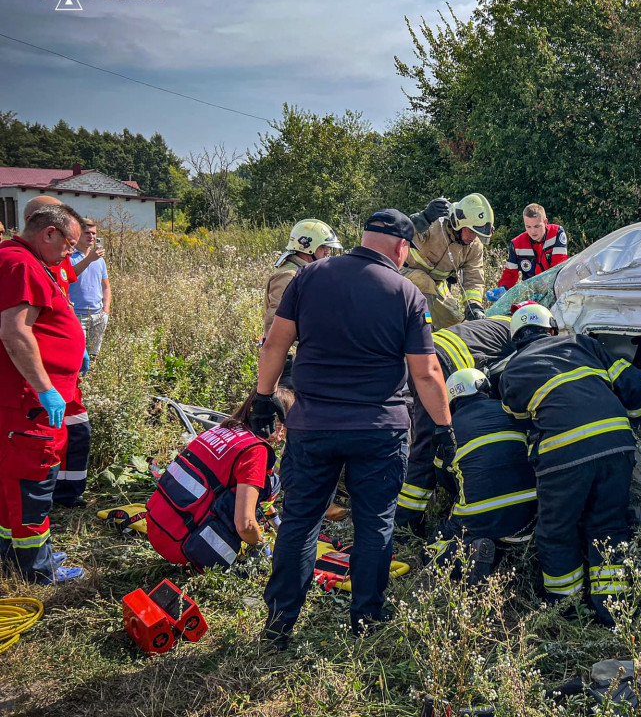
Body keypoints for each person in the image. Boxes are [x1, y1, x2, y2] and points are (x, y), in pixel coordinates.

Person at [252, 208, 457, 649]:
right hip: (379, 430)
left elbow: (274, 342)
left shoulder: (308, 277)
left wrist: (264, 397)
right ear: (402, 247)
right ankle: (366, 620)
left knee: (301, 521)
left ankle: (279, 625)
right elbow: (425, 373)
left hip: (312, 426)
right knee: (375, 522)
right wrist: (443, 427)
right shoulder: (406, 293)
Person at [499, 304, 641, 625]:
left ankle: (568, 613)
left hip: (563, 455)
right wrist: (633, 423)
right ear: (552, 329)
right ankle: (613, 613)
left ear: (516, 340)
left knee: (557, 532)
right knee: (609, 527)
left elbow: (519, 420)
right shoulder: (583, 343)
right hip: (616, 444)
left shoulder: (513, 370)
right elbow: (632, 382)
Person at [0, 202, 88, 583]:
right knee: (33, 477)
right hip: (29, 402)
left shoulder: (26, 260)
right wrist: (45, 389)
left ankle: (12, 552)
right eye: (69, 244)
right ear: (48, 233)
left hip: (28, 399)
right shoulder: (20, 264)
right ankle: (35, 567)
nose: (71, 252)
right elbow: (15, 331)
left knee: (16, 480)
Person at [146, 387, 293, 571]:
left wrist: (275, 521)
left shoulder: (224, 429)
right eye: (286, 422)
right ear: (273, 418)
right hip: (184, 546)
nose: (286, 432)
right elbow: (245, 524)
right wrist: (263, 548)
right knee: (271, 483)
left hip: (158, 527)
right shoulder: (255, 450)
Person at [395, 313, 515, 533]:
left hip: (424, 354)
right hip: (446, 367)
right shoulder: (527, 337)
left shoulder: (500, 321)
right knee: (432, 442)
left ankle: (407, 515)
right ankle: (405, 521)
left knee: (425, 439)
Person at [425, 369, 537, 582]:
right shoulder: (510, 412)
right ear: (485, 390)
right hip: (531, 508)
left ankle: (468, 556)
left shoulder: (449, 429)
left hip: (479, 513)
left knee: (433, 551)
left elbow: (444, 478)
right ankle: (502, 548)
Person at [263, 219, 343, 386]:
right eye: (323, 247)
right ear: (307, 247)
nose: (327, 252)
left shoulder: (306, 273)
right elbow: (275, 319)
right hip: (290, 361)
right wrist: (283, 364)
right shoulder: (289, 275)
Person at [403, 194, 494, 329]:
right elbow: (401, 233)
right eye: (470, 231)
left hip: (435, 285)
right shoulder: (434, 224)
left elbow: (473, 277)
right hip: (402, 274)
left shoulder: (474, 246)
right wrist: (423, 218)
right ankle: (418, 332)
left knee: (453, 323)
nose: (473, 237)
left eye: (477, 233)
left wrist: (474, 305)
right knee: (423, 285)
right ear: (459, 223)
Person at [490, 203, 568, 297]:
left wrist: (543, 287)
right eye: (528, 227)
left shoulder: (556, 233)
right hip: (531, 293)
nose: (532, 231)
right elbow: (510, 274)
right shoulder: (516, 244)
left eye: (537, 226)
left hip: (558, 288)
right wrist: (503, 288)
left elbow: (558, 266)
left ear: (545, 222)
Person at [70, 218, 111, 358]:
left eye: (94, 234)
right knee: (78, 355)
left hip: (98, 314)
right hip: (77, 315)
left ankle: (90, 378)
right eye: (87, 233)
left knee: (93, 355)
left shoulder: (100, 259)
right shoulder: (68, 256)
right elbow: (70, 276)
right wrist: (89, 259)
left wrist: (106, 310)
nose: (91, 237)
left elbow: (105, 286)